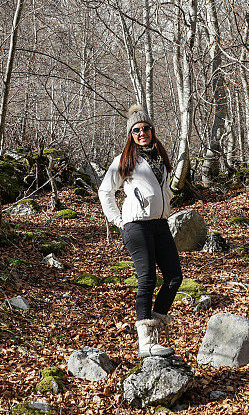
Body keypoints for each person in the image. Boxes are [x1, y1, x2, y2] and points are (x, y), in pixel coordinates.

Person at [98, 104, 183, 359]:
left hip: (160, 224)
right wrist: (117, 220)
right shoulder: (125, 161)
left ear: (152, 131)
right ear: (130, 135)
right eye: (136, 130)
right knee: (147, 279)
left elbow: (164, 190)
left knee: (174, 277)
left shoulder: (161, 159)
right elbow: (105, 191)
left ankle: (154, 330)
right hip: (135, 225)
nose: (142, 133)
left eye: (146, 128)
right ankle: (145, 341)